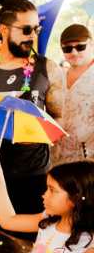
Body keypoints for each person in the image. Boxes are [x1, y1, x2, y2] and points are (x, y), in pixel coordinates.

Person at [0, 0, 65, 241]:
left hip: (34, 176)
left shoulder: (47, 69)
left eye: (36, 28)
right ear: (4, 29)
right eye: (27, 29)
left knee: (29, 251)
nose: (33, 35)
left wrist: (39, 137)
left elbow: (58, 117)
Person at [52, 24, 94, 165]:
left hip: (87, 161)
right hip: (57, 159)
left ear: (91, 44)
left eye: (80, 47)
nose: (74, 52)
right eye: (68, 48)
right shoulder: (58, 76)